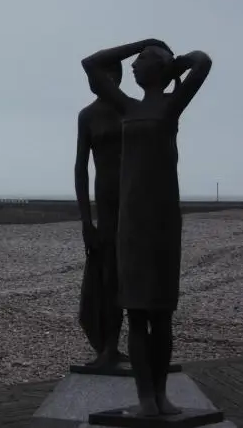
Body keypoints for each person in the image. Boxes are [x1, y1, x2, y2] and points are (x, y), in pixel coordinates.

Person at [81, 39, 212, 416]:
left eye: (141, 62)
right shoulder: (127, 107)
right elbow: (92, 64)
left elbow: (203, 62)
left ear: (157, 70)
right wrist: (144, 42)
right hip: (132, 222)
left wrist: (175, 62)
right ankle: (145, 400)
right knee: (138, 313)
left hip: (163, 221)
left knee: (161, 313)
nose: (133, 67)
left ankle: (160, 396)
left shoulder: (172, 104)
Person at [75, 61, 127, 369]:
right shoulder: (88, 116)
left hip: (136, 202)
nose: (105, 80)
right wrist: (85, 220)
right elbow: (81, 167)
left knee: (134, 277)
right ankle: (109, 347)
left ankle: (140, 347)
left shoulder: (132, 109)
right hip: (106, 206)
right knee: (106, 277)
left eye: (112, 74)